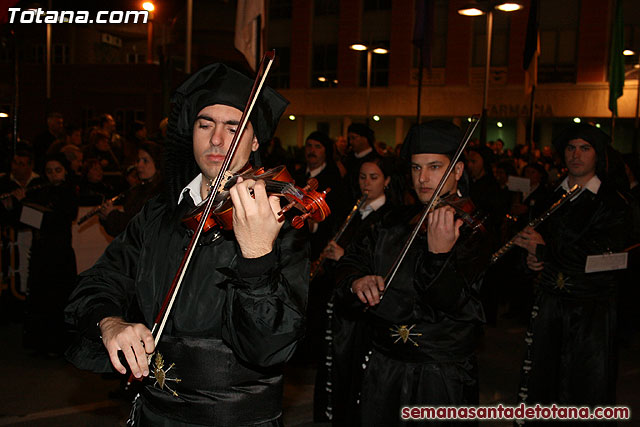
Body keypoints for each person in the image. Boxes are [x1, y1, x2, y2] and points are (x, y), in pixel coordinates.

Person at [65, 63, 307, 426]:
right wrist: (110, 322)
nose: (216, 140)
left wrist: (257, 256)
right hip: (153, 414)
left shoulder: (280, 218)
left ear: (256, 141)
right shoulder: (160, 213)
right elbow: (100, 281)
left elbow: (272, 346)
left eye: (234, 127)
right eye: (205, 124)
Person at [336, 120, 492, 426]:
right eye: (416, 168)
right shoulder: (392, 219)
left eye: (435, 167)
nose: (423, 178)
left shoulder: (473, 230)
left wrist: (439, 256)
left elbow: (449, 301)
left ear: (457, 171)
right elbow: (351, 260)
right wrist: (357, 280)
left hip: (441, 373)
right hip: (385, 365)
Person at [512, 123, 633, 423]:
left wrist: (544, 251)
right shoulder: (549, 198)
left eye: (585, 148)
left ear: (597, 154)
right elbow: (536, 249)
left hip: (591, 312)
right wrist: (532, 262)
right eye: (570, 147)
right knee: (546, 385)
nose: (576, 154)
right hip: (552, 308)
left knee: (585, 388)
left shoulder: (613, 202)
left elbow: (605, 257)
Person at [315, 156, 401, 424]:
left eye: (374, 178)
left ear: (386, 181)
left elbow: (381, 265)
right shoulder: (352, 210)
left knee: (355, 370)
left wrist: (343, 258)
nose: (366, 183)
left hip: (365, 312)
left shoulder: (391, 217)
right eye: (363, 177)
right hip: (339, 305)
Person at [23, 154, 78, 356]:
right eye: (49, 171)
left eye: (58, 170)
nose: (53, 175)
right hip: (41, 254)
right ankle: (41, 342)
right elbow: (28, 221)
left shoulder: (69, 191)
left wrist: (36, 212)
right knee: (41, 298)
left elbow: (62, 217)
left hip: (60, 255)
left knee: (58, 299)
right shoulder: (40, 189)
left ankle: (60, 344)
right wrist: (21, 205)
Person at [98, 141, 164, 237]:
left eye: (145, 161)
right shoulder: (137, 190)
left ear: (157, 163)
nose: (139, 165)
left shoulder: (161, 192)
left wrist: (112, 214)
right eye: (138, 160)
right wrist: (106, 218)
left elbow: (138, 226)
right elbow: (123, 233)